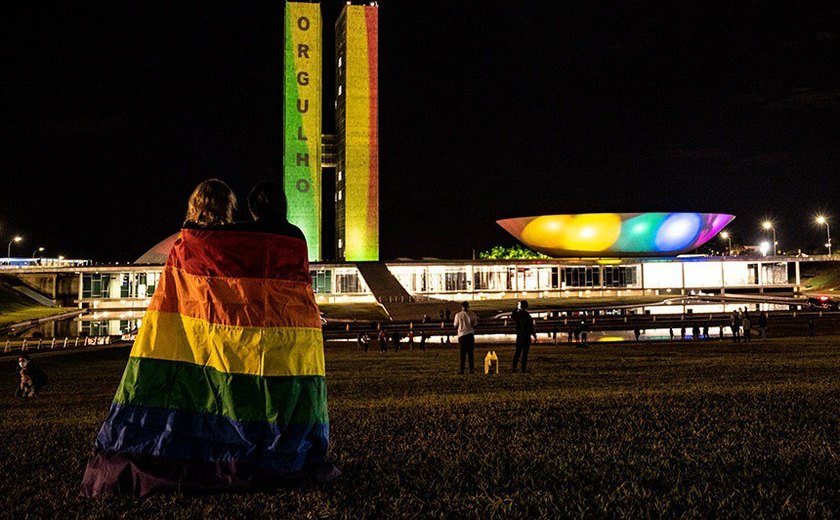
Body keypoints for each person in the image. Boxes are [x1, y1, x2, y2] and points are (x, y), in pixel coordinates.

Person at [81, 179, 338, 497]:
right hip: (276, 334)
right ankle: (271, 444)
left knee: (205, 393)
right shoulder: (290, 238)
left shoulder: (187, 242)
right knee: (271, 393)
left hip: (202, 337)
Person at [453, 301, 479, 374]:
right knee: (470, 353)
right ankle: (471, 369)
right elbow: (475, 325)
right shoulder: (473, 314)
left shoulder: (458, 315)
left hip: (462, 335)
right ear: (468, 306)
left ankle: (462, 369)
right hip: (470, 334)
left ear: (462, 307)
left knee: (462, 353)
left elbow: (455, 325)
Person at [513, 300, 538, 372]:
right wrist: (534, 335)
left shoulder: (518, 315)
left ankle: (514, 367)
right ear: (527, 306)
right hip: (526, 336)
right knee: (525, 353)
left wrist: (517, 308)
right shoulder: (528, 316)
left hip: (519, 336)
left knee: (517, 352)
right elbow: (530, 327)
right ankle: (523, 368)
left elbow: (513, 316)